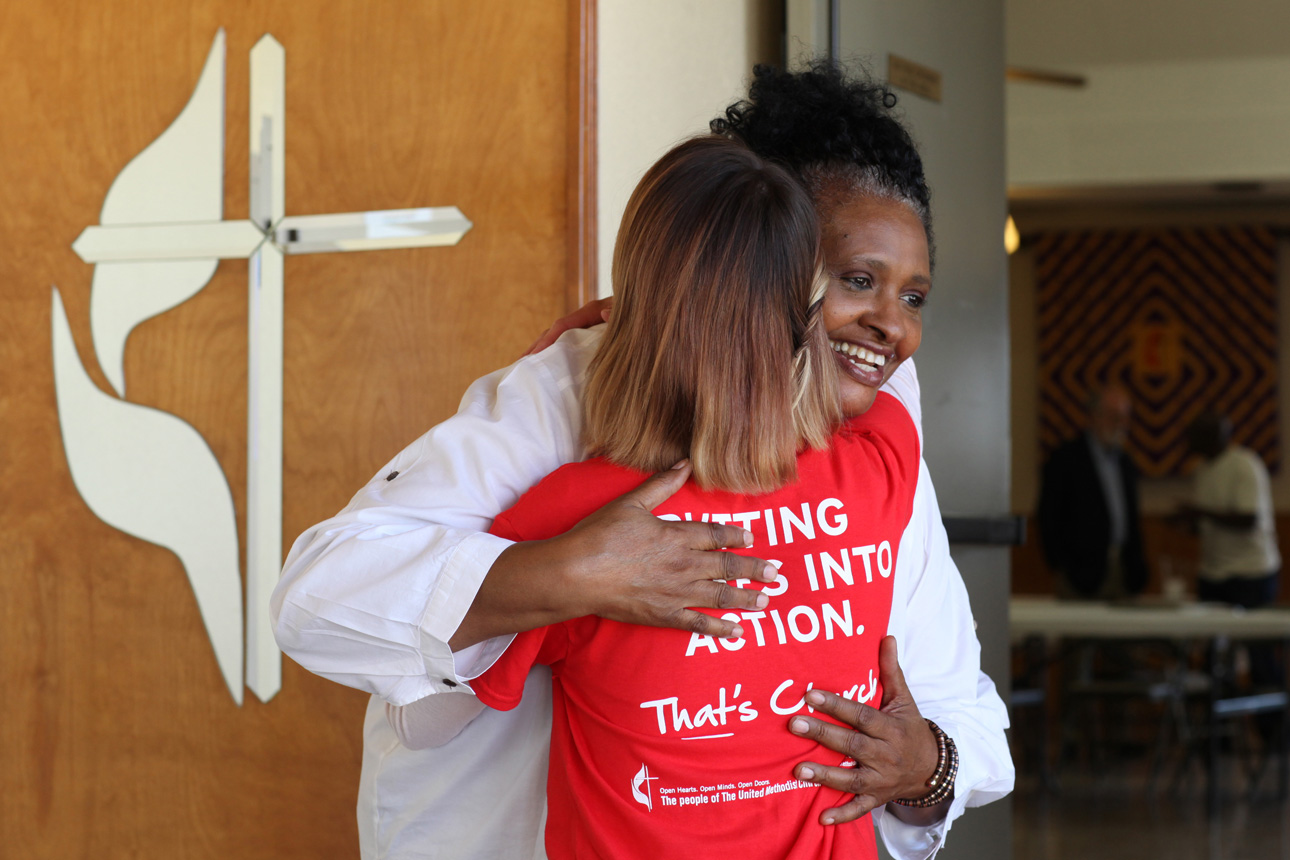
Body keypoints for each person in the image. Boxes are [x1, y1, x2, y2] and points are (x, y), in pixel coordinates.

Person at [272, 62, 1012, 860]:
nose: (890, 332)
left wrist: (925, 768)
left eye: (912, 298)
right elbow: (322, 602)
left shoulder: (875, 451)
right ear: (747, 267)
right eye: (853, 280)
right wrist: (568, 574)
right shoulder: (564, 408)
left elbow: (957, 707)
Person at [1037, 384, 1148, 599]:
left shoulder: (1125, 462)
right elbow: (1048, 517)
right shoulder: (1066, 459)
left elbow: (1132, 521)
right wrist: (1062, 566)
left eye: (1125, 417)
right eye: (1114, 417)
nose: (1122, 425)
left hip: (1123, 572)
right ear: (1094, 417)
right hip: (1080, 575)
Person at [1179, 411, 1280, 609]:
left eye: (1193, 435)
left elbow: (1249, 520)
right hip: (1212, 573)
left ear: (1211, 437)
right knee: (1213, 638)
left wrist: (1201, 512)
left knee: (1251, 637)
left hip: (1249, 573)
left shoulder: (1244, 465)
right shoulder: (1201, 469)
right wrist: (1188, 522)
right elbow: (1210, 524)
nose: (1188, 441)